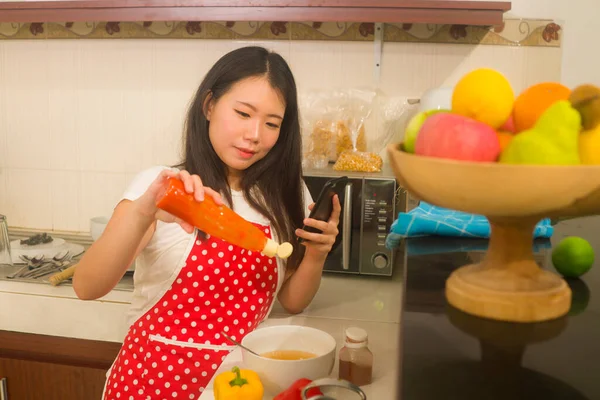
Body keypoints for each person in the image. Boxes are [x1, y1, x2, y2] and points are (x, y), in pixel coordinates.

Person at [72, 46, 341, 400]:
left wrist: (317, 255)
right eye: (243, 113)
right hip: (150, 386)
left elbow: (292, 301)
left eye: (272, 123)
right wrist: (144, 212)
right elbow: (87, 287)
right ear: (209, 105)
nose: (255, 134)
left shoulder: (284, 197)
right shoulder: (165, 186)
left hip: (238, 387)